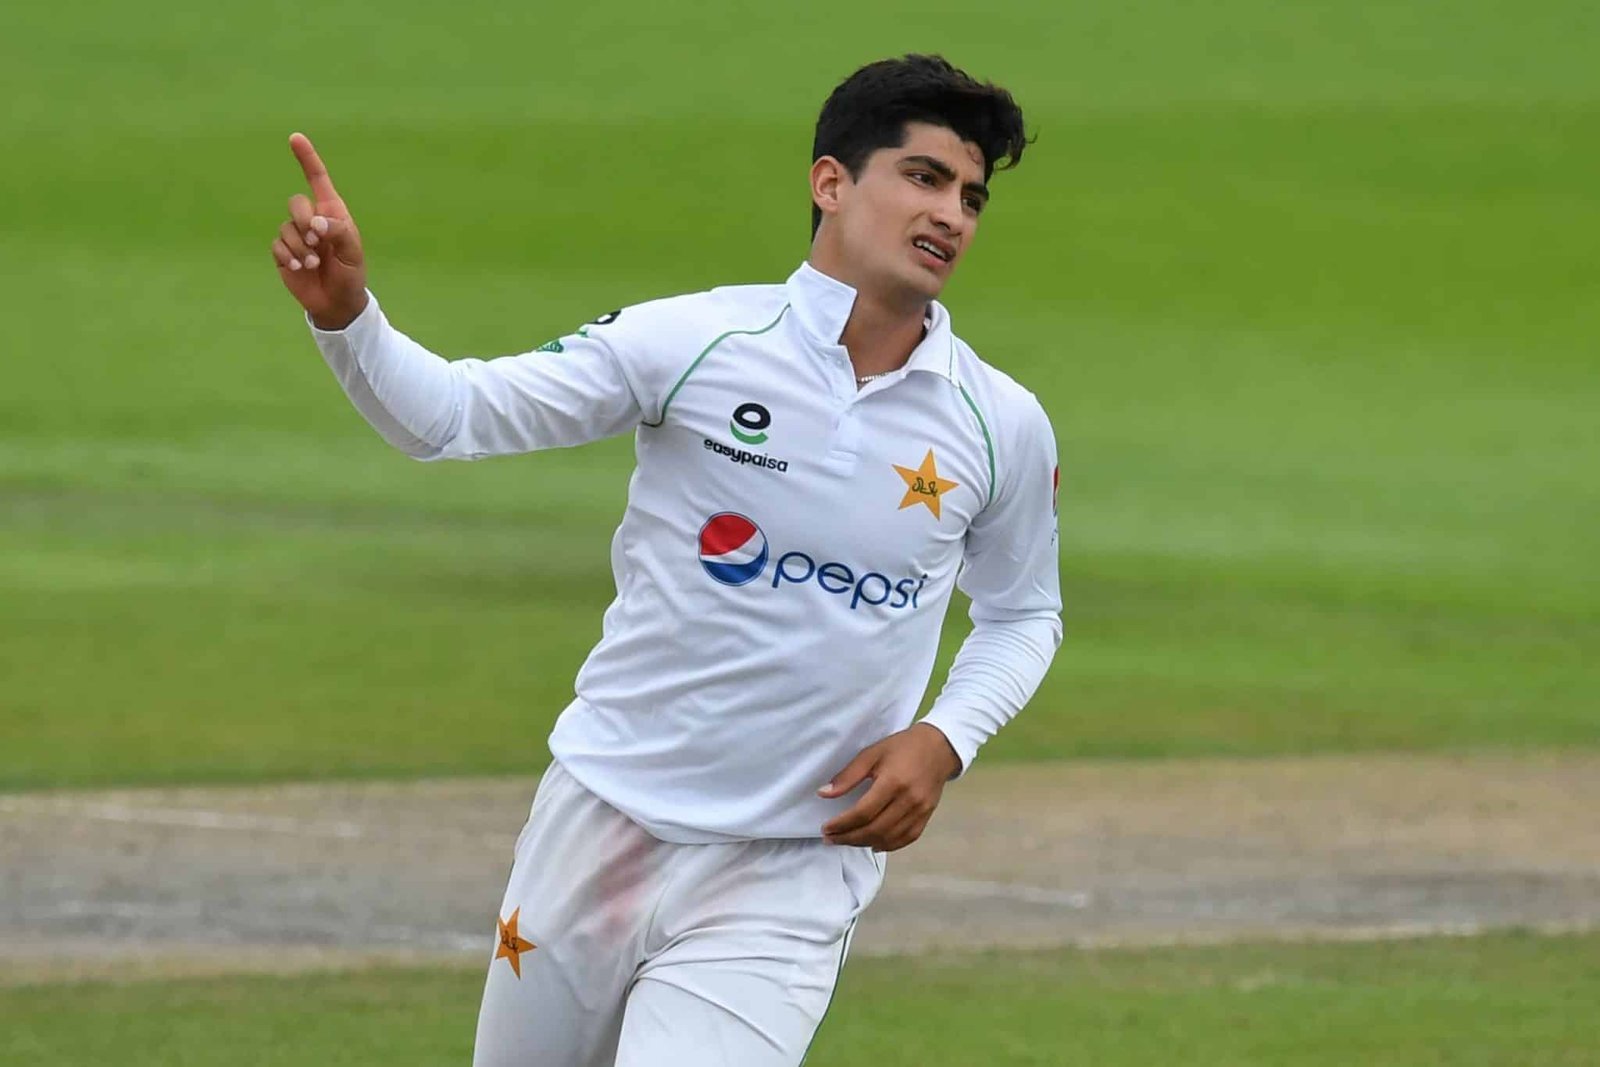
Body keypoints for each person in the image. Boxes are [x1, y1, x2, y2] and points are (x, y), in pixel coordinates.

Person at [271, 53, 1060, 1067]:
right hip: (599, 821)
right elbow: (452, 417)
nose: (950, 213)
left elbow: (1022, 612)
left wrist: (944, 738)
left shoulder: (998, 421)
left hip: (789, 868)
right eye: (924, 177)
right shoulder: (696, 341)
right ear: (830, 182)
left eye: (970, 196)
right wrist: (346, 316)